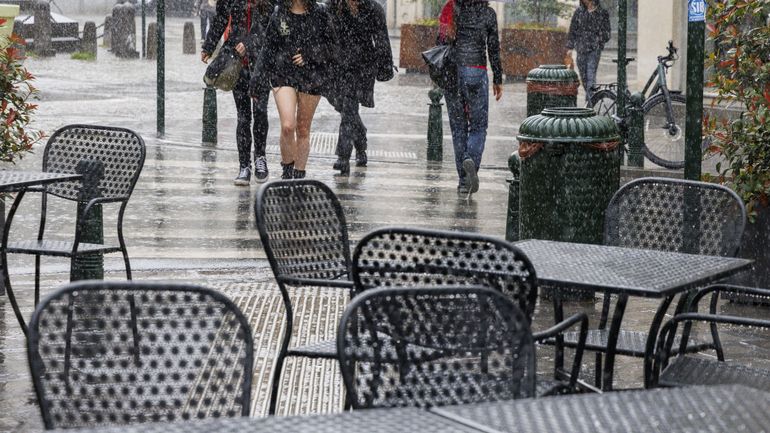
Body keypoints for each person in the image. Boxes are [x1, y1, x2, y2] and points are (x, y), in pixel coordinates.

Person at [250, 0, 337, 179]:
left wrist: (310, 54)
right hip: (283, 73)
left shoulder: (320, 13)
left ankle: (299, 175)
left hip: (312, 76)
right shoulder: (279, 12)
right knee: (288, 126)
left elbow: (333, 47)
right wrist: (257, 79)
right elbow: (268, 48)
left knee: (303, 129)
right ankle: (287, 171)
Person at [202, 0, 273, 186]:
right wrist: (208, 46)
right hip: (237, 62)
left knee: (260, 111)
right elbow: (221, 19)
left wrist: (249, 42)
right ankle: (244, 165)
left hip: (262, 62)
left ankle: (260, 158)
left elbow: (270, 23)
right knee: (243, 116)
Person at [439, 0, 502, 196]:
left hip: (452, 73)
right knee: (478, 126)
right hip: (476, 71)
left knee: (458, 128)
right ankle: (471, 160)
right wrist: (498, 78)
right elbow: (493, 48)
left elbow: (440, 43)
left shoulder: (452, 8)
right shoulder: (488, 13)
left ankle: (463, 181)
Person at [328, 0, 392, 175]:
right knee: (343, 106)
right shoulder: (333, 6)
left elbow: (381, 39)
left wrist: (385, 67)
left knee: (349, 107)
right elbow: (325, 33)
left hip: (362, 67)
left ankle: (343, 157)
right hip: (337, 65)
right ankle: (361, 137)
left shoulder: (373, 9)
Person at [566, 0, 611, 103]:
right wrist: (570, 47)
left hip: (594, 50)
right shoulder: (579, 12)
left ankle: (589, 105)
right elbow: (573, 30)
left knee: (591, 78)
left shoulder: (602, 12)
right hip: (581, 49)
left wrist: (598, 40)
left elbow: (607, 32)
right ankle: (591, 99)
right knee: (584, 79)